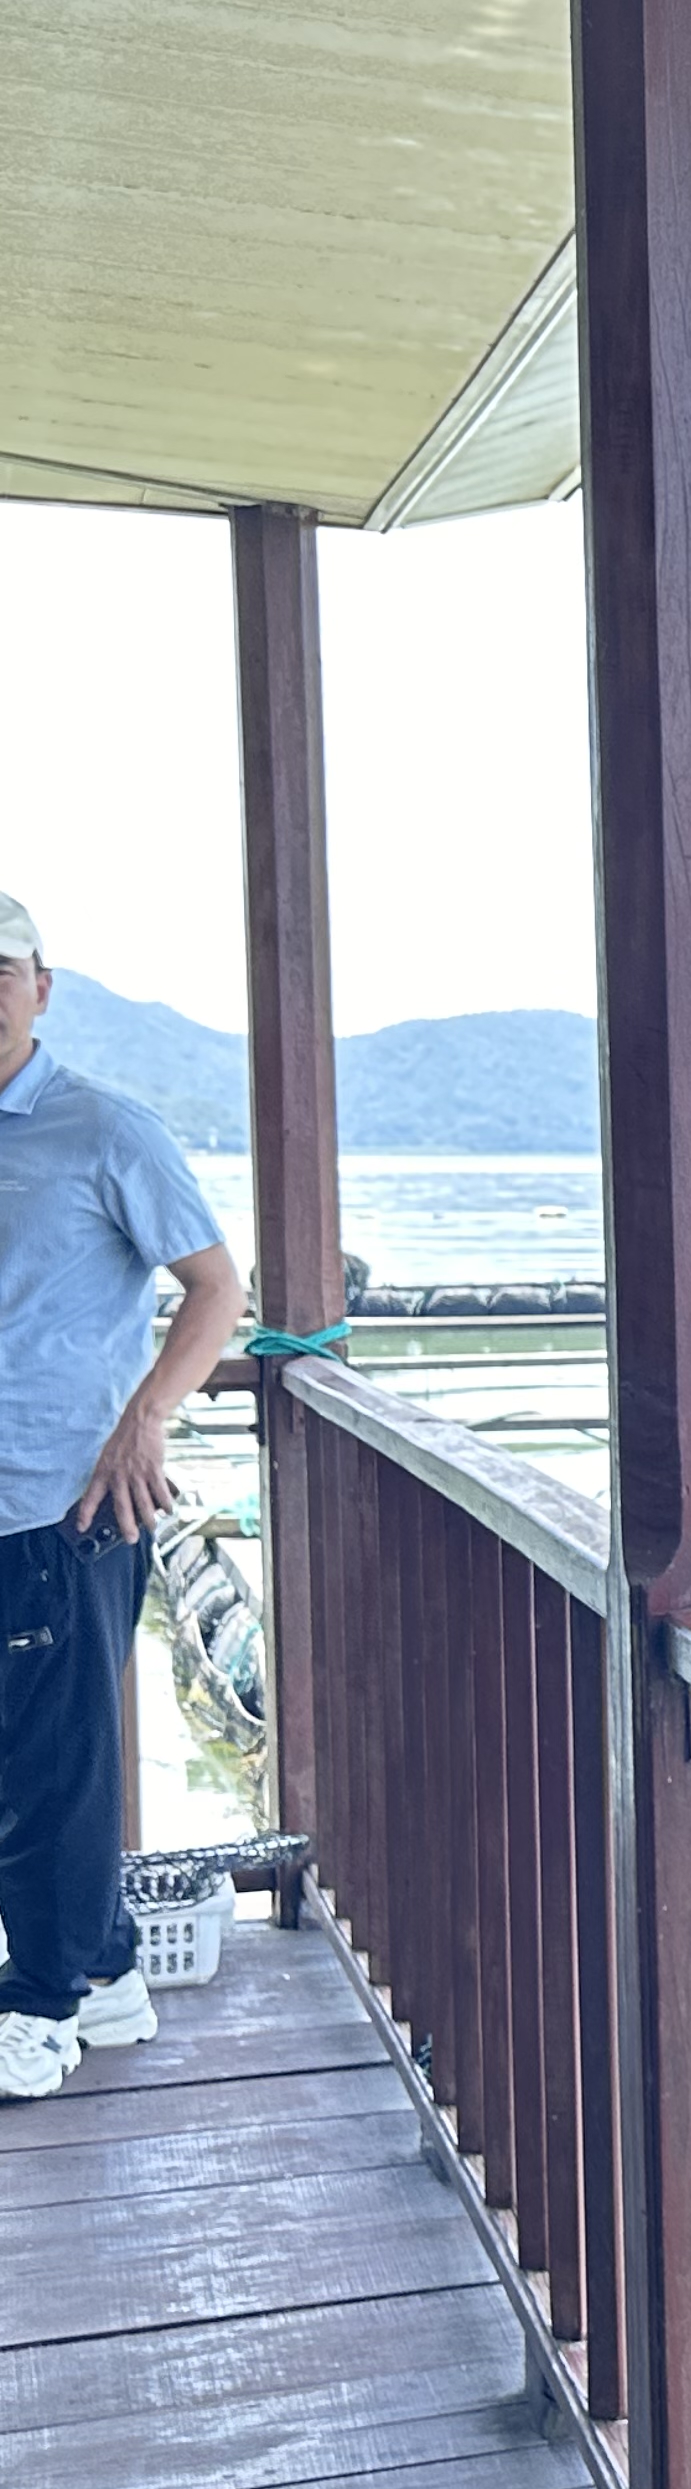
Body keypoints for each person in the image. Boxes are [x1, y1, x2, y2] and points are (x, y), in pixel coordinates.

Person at [0, 892, 245, 2102]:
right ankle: (101, 1972)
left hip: (62, 1500)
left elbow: (215, 1287)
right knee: (36, 1759)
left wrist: (147, 1415)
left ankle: (42, 2005)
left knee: (52, 1771)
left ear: (41, 987)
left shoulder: (103, 1129)